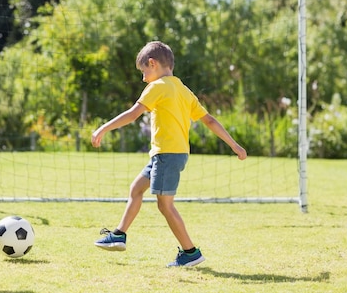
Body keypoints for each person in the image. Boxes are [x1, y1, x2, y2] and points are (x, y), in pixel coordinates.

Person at [91, 41, 247, 267]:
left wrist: (103, 128)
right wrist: (235, 145)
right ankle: (119, 234)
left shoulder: (157, 87)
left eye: (144, 72)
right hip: (167, 155)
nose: (143, 78)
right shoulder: (184, 90)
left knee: (165, 205)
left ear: (152, 64)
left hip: (167, 155)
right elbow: (209, 120)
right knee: (136, 189)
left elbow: (133, 114)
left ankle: (190, 252)